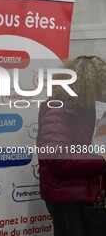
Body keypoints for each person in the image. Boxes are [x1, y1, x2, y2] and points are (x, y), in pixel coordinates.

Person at [37, 55, 106, 236]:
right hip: (70, 200)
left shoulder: (89, 108)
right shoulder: (58, 110)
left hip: (90, 196)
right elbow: (57, 158)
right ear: (89, 86)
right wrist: (101, 161)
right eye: (101, 85)